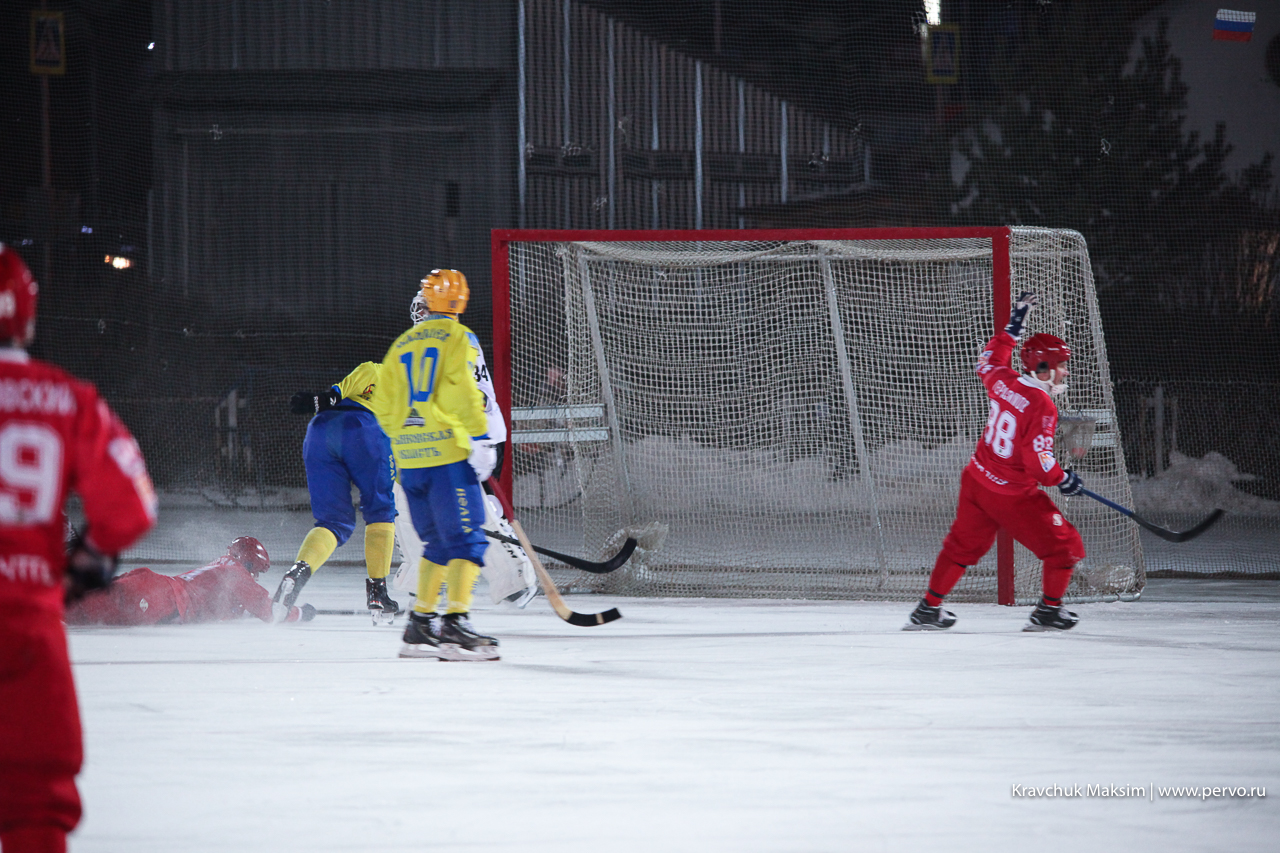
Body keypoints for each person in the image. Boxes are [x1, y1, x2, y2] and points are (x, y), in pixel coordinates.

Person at [0, 244, 157, 853]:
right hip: (31, 625)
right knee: (38, 804)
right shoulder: (64, 398)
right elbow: (132, 505)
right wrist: (87, 562)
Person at [904, 291, 1086, 632]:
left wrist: (1013, 325)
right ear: (1043, 369)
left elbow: (988, 361)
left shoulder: (1004, 380)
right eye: (1060, 365)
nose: (1064, 372)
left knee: (961, 546)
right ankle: (1048, 610)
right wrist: (1063, 479)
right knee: (1065, 548)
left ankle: (928, 608)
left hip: (976, 481)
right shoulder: (1042, 405)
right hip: (1011, 494)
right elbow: (1038, 463)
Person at [391, 286, 537, 609]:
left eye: (425, 306)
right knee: (410, 500)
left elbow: (473, 395)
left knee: (470, 514)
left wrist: (475, 439)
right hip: (445, 440)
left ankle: (513, 576)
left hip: (467, 439)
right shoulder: (431, 341)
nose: (419, 313)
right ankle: (424, 578)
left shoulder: (453, 339)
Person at [378, 269, 498, 661]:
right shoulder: (459, 337)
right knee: (467, 540)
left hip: (410, 462)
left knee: (437, 544)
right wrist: (480, 440)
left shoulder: (402, 344)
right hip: (448, 457)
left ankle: (419, 626)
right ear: (460, 300)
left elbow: (384, 405)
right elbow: (465, 392)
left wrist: (407, 441)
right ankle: (455, 626)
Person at [274, 362, 401, 625]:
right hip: (365, 433)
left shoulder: (376, 370)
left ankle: (297, 573)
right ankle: (378, 592)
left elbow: (335, 395)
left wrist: (316, 401)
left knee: (332, 522)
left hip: (321, 431)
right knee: (381, 513)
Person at [66, 537, 314, 625]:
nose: (255, 577)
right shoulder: (236, 573)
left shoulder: (222, 565)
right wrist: (301, 613)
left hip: (150, 585)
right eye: (256, 571)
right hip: (158, 599)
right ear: (248, 562)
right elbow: (270, 611)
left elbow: (222, 606)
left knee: (70, 607)